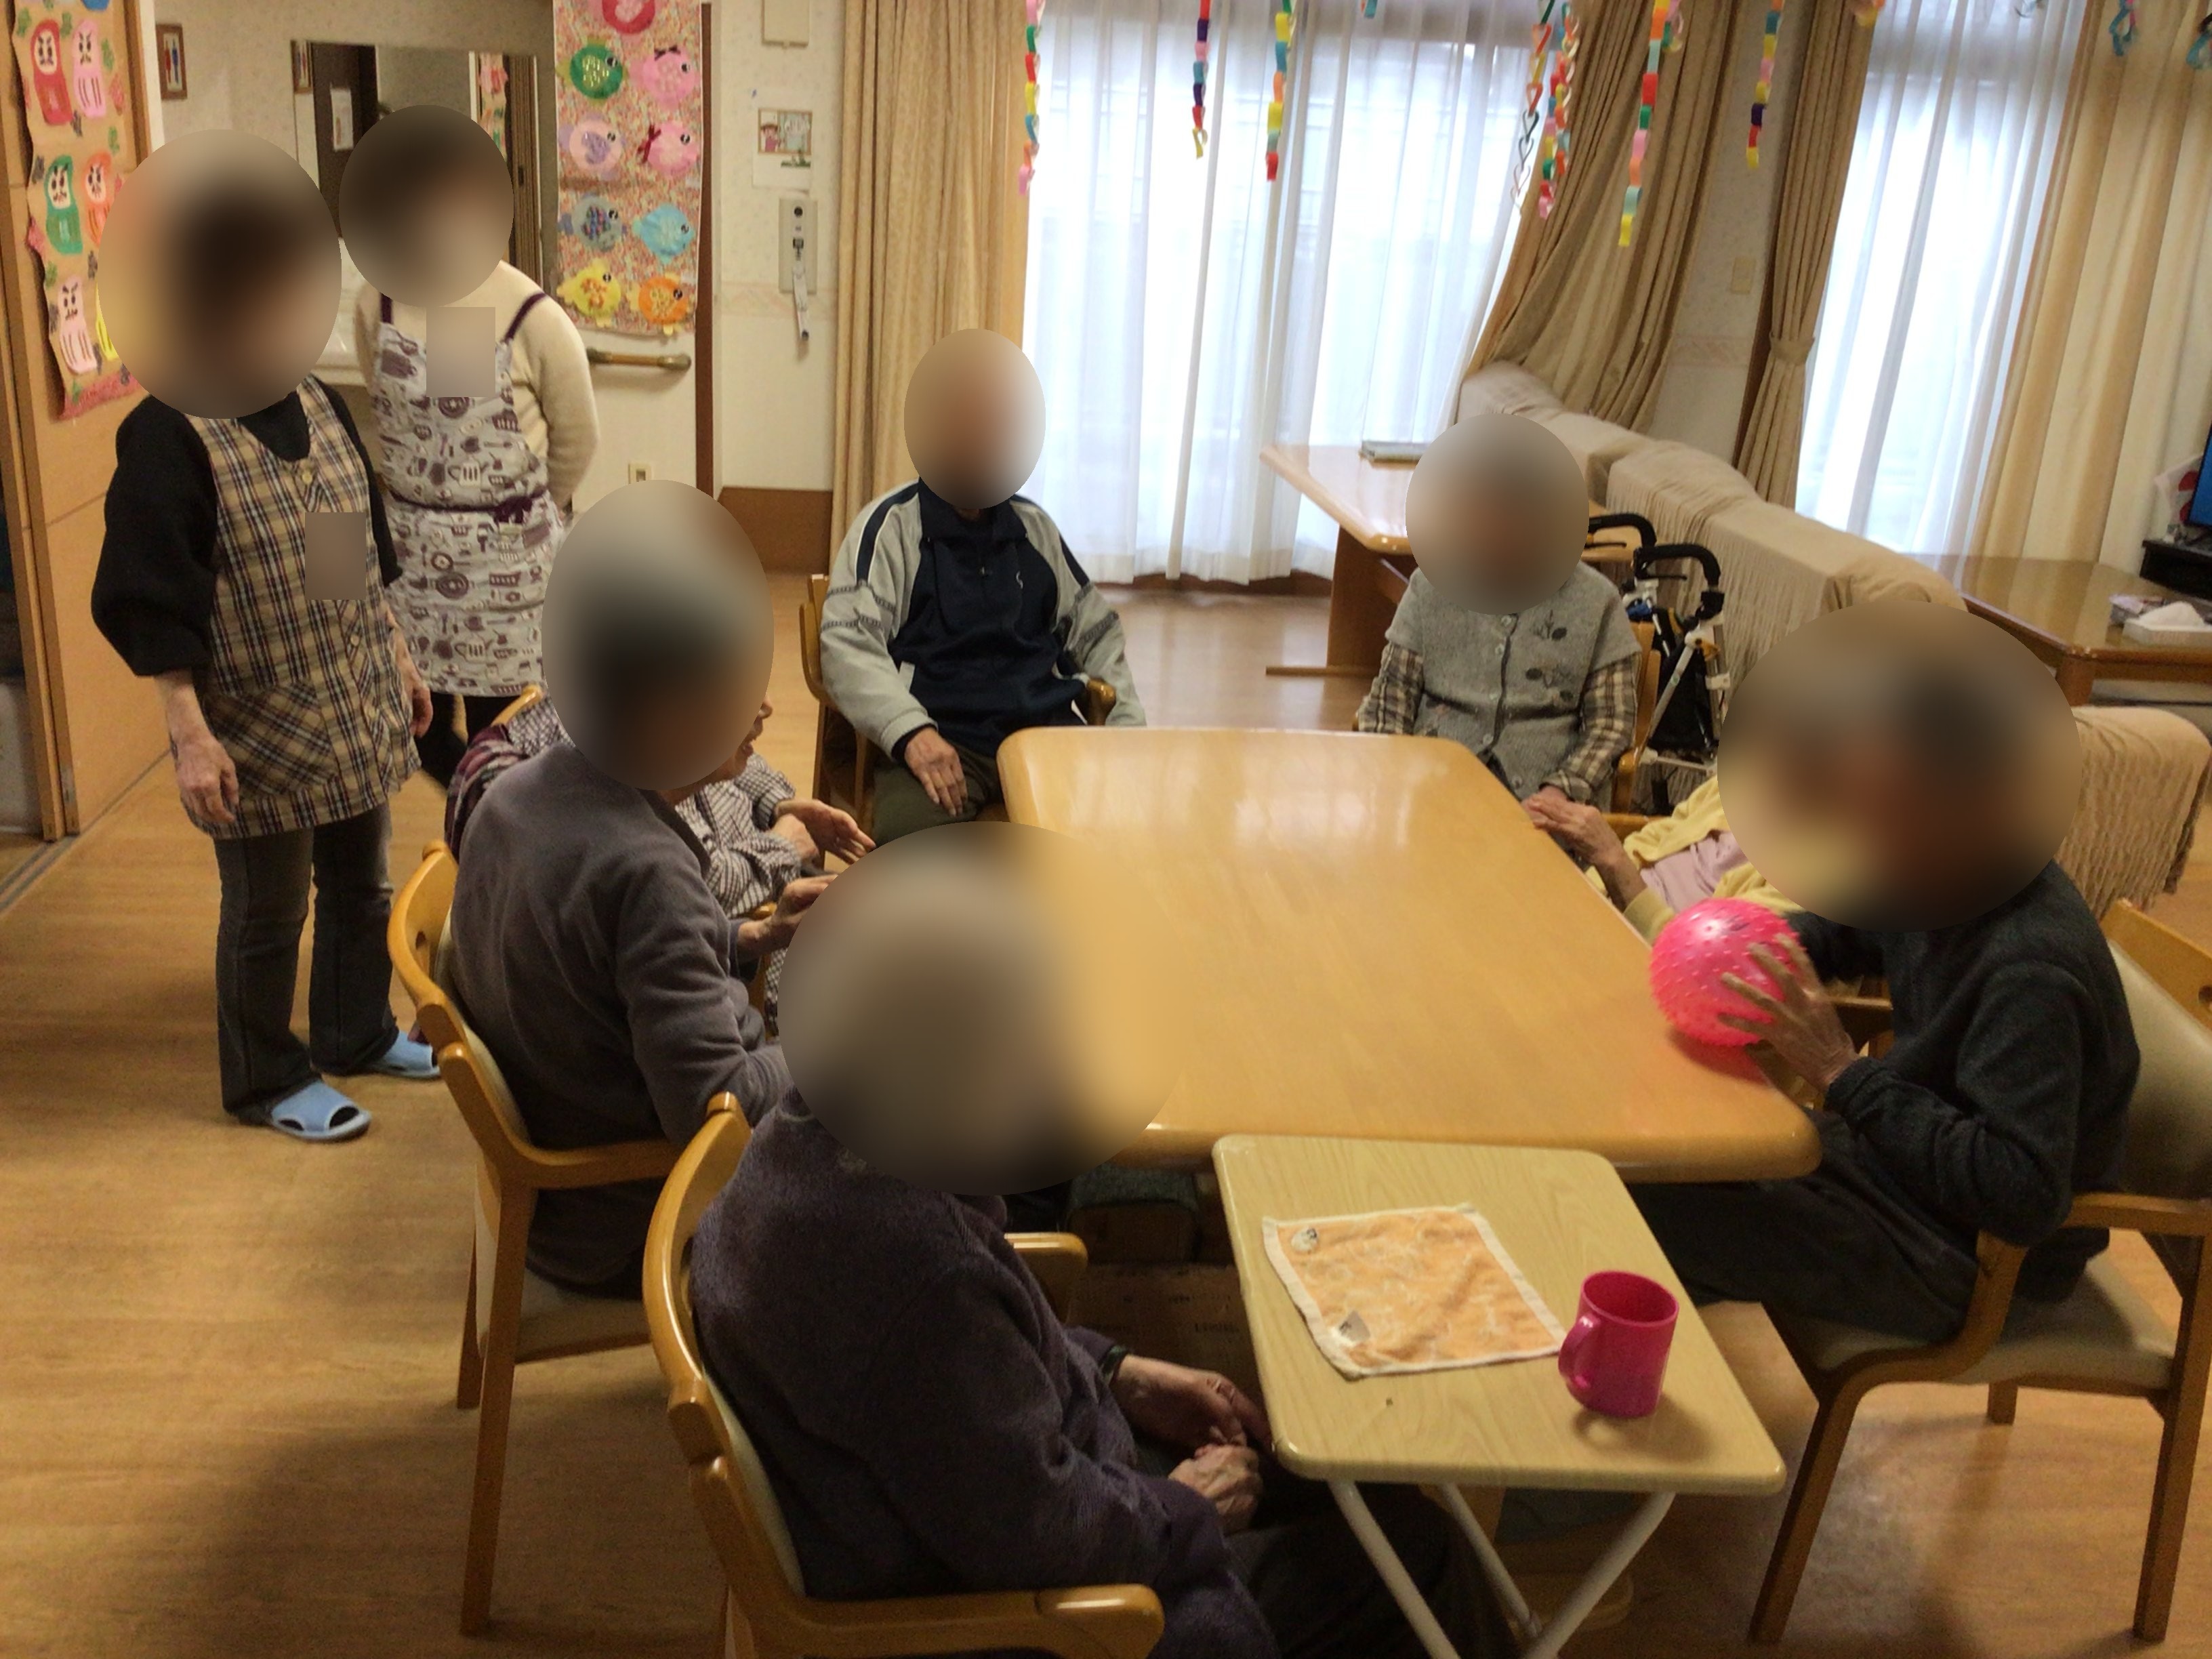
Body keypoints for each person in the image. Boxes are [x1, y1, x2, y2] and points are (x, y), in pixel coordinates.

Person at [693, 1097, 1509, 1659]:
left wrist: (1121, 1373)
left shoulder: (806, 1133)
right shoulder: (916, 1269)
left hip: (963, 1502)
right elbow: (1036, 1533)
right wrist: (1188, 1507)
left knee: (1339, 1474)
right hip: (1039, 1613)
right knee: (1417, 1556)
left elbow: (972, 1366)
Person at [1632, 642, 2138, 1345]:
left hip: (1968, 1257)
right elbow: (1848, 932)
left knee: (1644, 1216)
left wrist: (1841, 1071)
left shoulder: (2029, 969)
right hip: (1889, 1171)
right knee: (1653, 1158)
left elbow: (2020, 1194)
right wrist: (1748, 957)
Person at [92, 169, 439, 1145]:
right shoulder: (166, 432)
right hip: (253, 717)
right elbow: (153, 598)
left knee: (363, 886)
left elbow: (344, 550)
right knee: (267, 910)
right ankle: (264, 1078)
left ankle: (356, 1032)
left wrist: (397, 656)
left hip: (349, 692)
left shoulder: (314, 402)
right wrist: (188, 734)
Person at [447, 560, 803, 1296]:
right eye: (738, 686)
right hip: (637, 1217)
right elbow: (716, 1108)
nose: (764, 706)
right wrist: (836, 1048)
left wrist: (747, 939)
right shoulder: (646, 873)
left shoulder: (522, 788)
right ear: (667, 714)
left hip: (567, 1181)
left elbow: (593, 961)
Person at [820, 330, 1143, 842]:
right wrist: (911, 732)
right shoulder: (890, 528)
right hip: (943, 737)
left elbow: (1097, 632)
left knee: (1111, 838)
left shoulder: (1035, 529)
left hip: (1042, 733)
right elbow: (847, 641)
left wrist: (1126, 734)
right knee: (913, 856)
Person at [352, 136, 597, 785]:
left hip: (509, 561)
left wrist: (522, 510)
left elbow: (577, 439)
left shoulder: (530, 313)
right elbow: (392, 412)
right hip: (410, 557)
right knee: (415, 721)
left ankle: (496, 820)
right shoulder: (376, 302)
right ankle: (477, 807)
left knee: (510, 731)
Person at [445, 693, 869, 1010]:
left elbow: (683, 924)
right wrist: (782, 847)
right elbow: (717, 1083)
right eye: (738, 683)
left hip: (736, 941)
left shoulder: (624, 735)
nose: (765, 705)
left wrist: (777, 809)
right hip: (737, 977)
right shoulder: (646, 857)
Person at [1356, 416, 1638, 808]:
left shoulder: (1597, 601)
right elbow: (1391, 699)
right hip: (1431, 789)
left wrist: (1561, 790)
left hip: (1544, 801)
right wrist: (1391, 775)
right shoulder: (1430, 585)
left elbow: (1611, 726)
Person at [1526, 777, 1788, 943]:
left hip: (1646, 961)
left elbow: (1703, 956)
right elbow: (1653, 838)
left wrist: (1612, 861)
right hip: (1602, 906)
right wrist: (1591, 889)